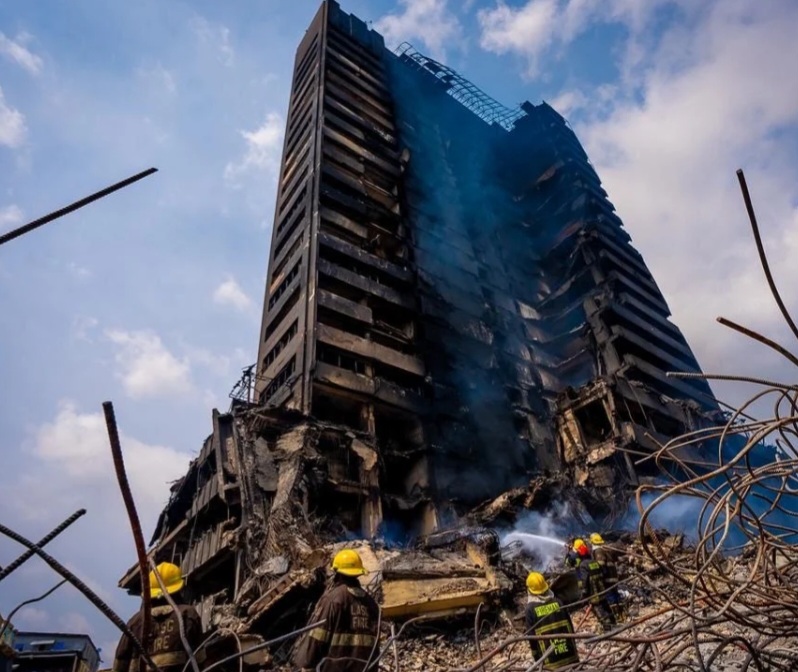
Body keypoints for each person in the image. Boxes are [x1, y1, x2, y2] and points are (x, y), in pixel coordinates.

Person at [293, 549, 380, 672]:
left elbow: (317, 638)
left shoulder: (334, 599)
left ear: (337, 573)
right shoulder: (371, 604)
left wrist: (304, 664)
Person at [113, 562, 206, 672]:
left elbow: (119, 665)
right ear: (179, 589)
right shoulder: (188, 614)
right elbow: (200, 661)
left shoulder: (134, 623)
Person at [524, 572, 579, 670]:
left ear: (530, 590)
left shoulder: (530, 609)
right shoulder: (558, 602)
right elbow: (570, 628)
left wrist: (536, 657)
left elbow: (531, 637)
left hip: (550, 663)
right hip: (570, 656)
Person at [576, 546, 616, 633]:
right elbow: (602, 572)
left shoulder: (583, 565)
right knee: (605, 606)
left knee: (598, 609)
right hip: (601, 589)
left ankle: (607, 628)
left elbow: (585, 579)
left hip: (593, 592)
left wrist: (584, 593)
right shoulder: (594, 562)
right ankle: (614, 622)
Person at [590, 533, 626, 623]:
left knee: (610, 597)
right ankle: (622, 615)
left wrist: (597, 574)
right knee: (616, 595)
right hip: (613, 577)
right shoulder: (605, 549)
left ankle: (617, 617)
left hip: (607, 578)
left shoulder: (598, 551)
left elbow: (601, 564)